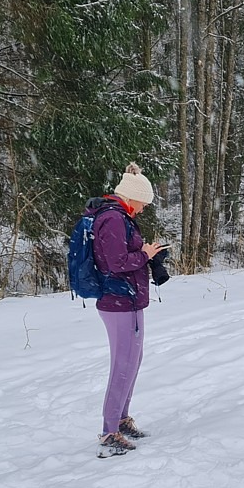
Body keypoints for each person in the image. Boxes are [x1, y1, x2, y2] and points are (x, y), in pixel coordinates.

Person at [85, 162, 167, 458]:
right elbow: (114, 263)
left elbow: (120, 256)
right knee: (123, 364)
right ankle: (109, 432)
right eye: (143, 203)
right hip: (117, 301)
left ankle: (121, 418)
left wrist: (145, 253)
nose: (143, 209)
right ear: (131, 198)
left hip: (128, 300)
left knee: (133, 360)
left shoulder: (120, 217)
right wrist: (144, 254)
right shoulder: (113, 219)